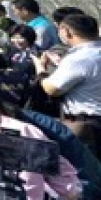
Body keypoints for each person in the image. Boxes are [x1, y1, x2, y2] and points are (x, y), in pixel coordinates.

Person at [34, 13, 101, 159]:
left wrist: (41, 70)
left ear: (66, 31)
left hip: (89, 124)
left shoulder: (79, 58)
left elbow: (52, 89)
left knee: (89, 167)